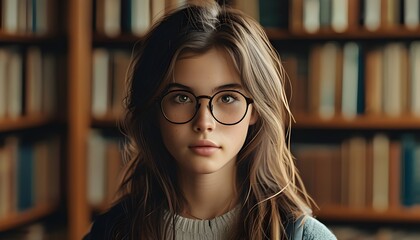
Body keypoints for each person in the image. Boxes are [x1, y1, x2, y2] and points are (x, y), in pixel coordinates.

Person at [84, 1, 337, 239]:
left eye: (227, 98)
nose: (204, 122)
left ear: (255, 110)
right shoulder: (111, 232)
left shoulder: (304, 236)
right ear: (153, 108)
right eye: (181, 98)